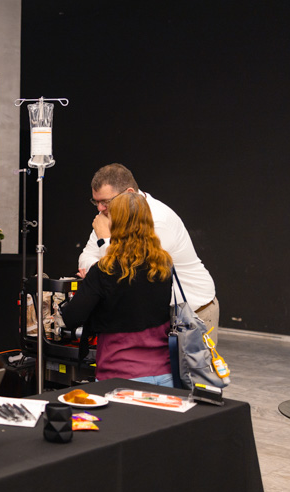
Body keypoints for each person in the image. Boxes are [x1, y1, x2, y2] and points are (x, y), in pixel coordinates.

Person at [78, 163, 219, 338]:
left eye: (105, 202)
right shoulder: (108, 217)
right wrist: (99, 272)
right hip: (156, 316)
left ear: (129, 192)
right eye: (96, 202)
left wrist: (104, 244)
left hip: (192, 312)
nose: (100, 208)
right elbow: (86, 256)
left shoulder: (157, 221)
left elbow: (131, 280)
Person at [61, 192, 175, 385]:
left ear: (115, 225)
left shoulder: (104, 271)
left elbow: (72, 318)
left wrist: (89, 287)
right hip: (165, 375)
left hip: (120, 377)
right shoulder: (164, 264)